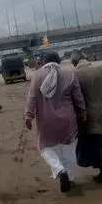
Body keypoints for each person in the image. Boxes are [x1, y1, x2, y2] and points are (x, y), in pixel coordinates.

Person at [25, 51, 86, 193]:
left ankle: (59, 169)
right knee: (69, 149)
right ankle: (70, 179)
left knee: (44, 147)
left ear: (43, 62)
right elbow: (78, 98)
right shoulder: (70, 75)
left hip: (46, 119)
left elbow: (32, 98)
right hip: (68, 119)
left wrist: (29, 116)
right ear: (58, 61)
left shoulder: (37, 76)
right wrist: (83, 113)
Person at [72, 50, 102, 183]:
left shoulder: (74, 75)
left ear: (75, 62)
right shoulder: (101, 69)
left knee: (92, 142)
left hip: (85, 115)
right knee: (101, 136)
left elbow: (74, 98)